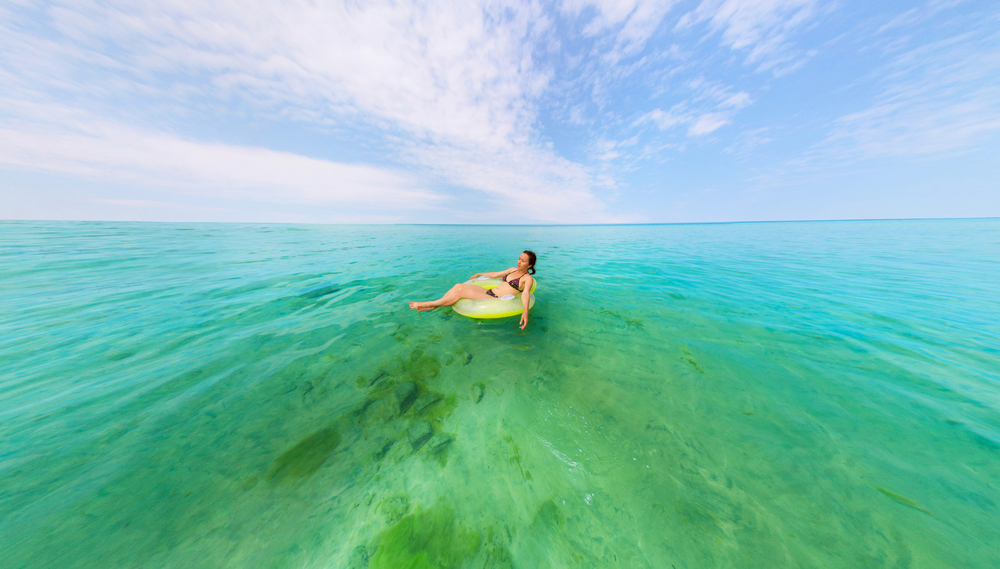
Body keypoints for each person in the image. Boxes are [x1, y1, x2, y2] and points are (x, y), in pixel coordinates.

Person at [409, 250, 537, 329]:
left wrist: (525, 311)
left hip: (496, 298)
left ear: (529, 265)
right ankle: (434, 306)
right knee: (458, 286)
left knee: (460, 292)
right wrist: (479, 273)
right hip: (491, 291)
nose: (519, 262)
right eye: (519, 259)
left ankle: (428, 304)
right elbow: (495, 274)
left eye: (523, 261)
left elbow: (525, 293)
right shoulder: (512, 269)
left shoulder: (527, 278)